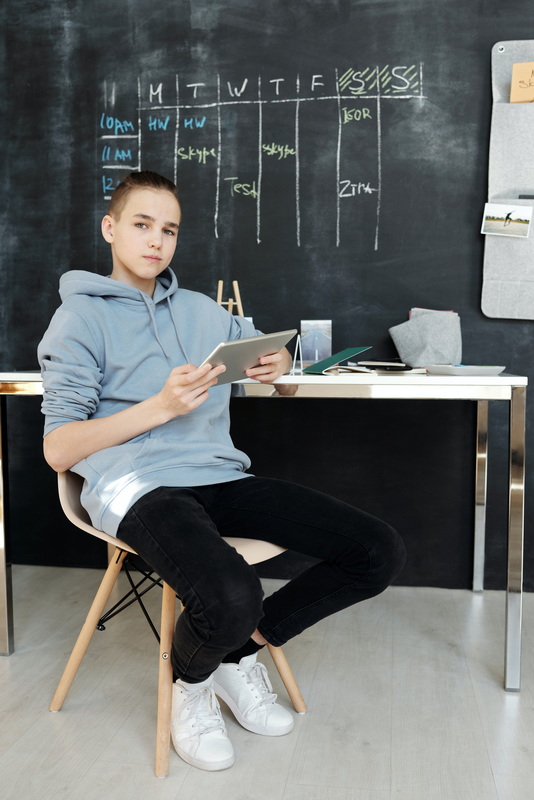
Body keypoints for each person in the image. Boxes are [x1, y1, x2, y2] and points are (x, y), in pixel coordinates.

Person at [38, 170, 405, 772]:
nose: (156, 241)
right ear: (110, 229)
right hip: (136, 487)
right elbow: (59, 449)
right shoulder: (78, 320)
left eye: (169, 230)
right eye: (141, 224)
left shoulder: (202, 310)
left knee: (377, 551)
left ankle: (238, 657)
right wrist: (159, 406)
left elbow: (269, 349)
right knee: (231, 593)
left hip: (219, 476)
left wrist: (274, 359)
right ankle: (191, 685)